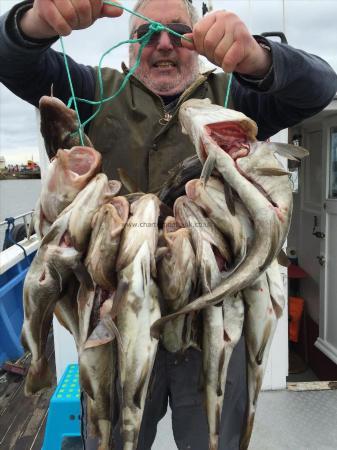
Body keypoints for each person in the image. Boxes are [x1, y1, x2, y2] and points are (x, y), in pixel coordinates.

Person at [0, 1, 336, 449]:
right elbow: (12, 61)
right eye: (145, 33)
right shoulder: (92, 88)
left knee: (214, 438)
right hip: (116, 317)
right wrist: (36, 21)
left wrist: (258, 57)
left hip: (217, 318)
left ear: (199, 40)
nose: (162, 44)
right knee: (115, 438)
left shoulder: (237, 95)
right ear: (127, 45)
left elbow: (318, 87)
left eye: (178, 31)